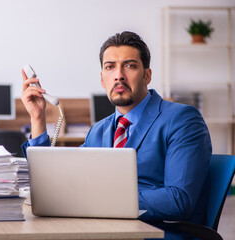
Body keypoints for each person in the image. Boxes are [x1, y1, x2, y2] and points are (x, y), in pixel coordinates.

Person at [20, 31, 212, 240]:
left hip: (158, 232)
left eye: (129, 65)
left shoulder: (182, 119)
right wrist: (38, 118)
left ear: (147, 75)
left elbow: (179, 200)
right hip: (104, 230)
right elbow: (58, 182)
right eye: (110, 67)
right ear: (102, 79)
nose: (118, 75)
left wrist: (106, 202)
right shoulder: (98, 130)